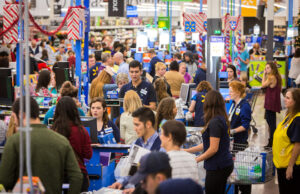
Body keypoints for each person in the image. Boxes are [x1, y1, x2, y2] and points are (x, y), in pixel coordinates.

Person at [0, 97, 83, 193]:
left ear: (21, 115)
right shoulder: (62, 141)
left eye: (14, 117)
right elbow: (77, 176)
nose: (14, 122)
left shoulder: (14, 141)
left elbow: (5, 180)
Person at [185, 90, 233, 194]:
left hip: (218, 166)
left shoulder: (215, 122)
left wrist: (196, 160)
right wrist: (188, 151)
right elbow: (208, 144)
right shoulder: (219, 119)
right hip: (223, 164)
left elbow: (213, 149)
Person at [109, 107, 162, 190]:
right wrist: (121, 182)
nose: (134, 128)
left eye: (137, 125)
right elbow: (132, 169)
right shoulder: (136, 144)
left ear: (148, 124)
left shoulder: (161, 146)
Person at [52, 96, 92, 192]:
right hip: (78, 174)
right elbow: (88, 155)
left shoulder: (53, 131)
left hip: (57, 175)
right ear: (74, 110)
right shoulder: (81, 131)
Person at [273, 88, 300, 194]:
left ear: (296, 101)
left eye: (288, 98)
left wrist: (290, 167)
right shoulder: (289, 115)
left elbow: (298, 144)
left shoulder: (297, 120)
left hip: (291, 166)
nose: (284, 99)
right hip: (282, 165)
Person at [228, 81, 252, 194]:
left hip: (240, 143)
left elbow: (245, 125)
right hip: (233, 142)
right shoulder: (234, 104)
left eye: (231, 91)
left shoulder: (245, 105)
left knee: (242, 174)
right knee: (235, 173)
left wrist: (232, 131)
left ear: (238, 92)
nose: (229, 93)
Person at [262, 61, 282, 147]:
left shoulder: (271, 77)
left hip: (271, 102)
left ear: (272, 68)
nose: (266, 69)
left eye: (268, 68)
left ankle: (272, 141)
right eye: (266, 68)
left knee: (271, 123)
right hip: (273, 101)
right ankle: (272, 140)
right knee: (270, 120)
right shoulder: (277, 76)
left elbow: (263, 85)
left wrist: (263, 74)